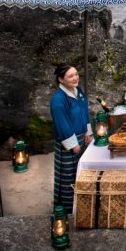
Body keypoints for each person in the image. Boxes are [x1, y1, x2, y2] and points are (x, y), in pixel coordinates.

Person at [50, 64, 92, 211]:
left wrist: (88, 132)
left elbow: (84, 112)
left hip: (82, 138)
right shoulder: (58, 100)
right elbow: (62, 124)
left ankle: (82, 202)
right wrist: (73, 144)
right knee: (69, 175)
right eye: (70, 76)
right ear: (61, 80)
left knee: (81, 171)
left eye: (76, 74)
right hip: (68, 142)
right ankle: (67, 208)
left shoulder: (78, 91)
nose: (75, 78)